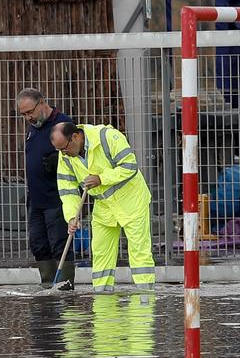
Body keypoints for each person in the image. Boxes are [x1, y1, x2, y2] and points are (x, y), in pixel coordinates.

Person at [51, 121, 156, 291]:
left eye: (64, 148)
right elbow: (67, 189)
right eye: (59, 150)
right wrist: (72, 216)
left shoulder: (107, 137)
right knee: (101, 252)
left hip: (131, 200)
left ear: (76, 137)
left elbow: (130, 166)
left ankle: (145, 295)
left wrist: (101, 178)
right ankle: (102, 298)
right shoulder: (66, 156)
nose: (63, 153)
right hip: (104, 205)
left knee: (139, 250)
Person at [15, 87, 77, 286]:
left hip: (56, 198)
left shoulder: (62, 124)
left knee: (60, 244)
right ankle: (47, 283)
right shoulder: (34, 127)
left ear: (42, 103)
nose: (28, 118)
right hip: (36, 199)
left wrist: (58, 159)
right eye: (23, 114)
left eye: (30, 112)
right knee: (39, 244)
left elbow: (76, 158)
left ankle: (64, 287)